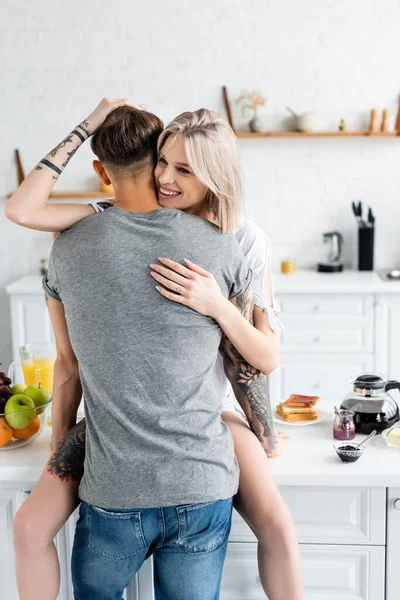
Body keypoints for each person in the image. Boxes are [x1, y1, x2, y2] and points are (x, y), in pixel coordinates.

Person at [6, 98, 302, 600]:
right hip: (154, 434)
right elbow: (21, 210)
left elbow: (259, 360)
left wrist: (218, 305)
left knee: (275, 523)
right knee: (33, 525)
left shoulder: (240, 240)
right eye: (161, 161)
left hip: (204, 414)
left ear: (213, 176)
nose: (164, 178)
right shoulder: (106, 217)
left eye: (183, 169)